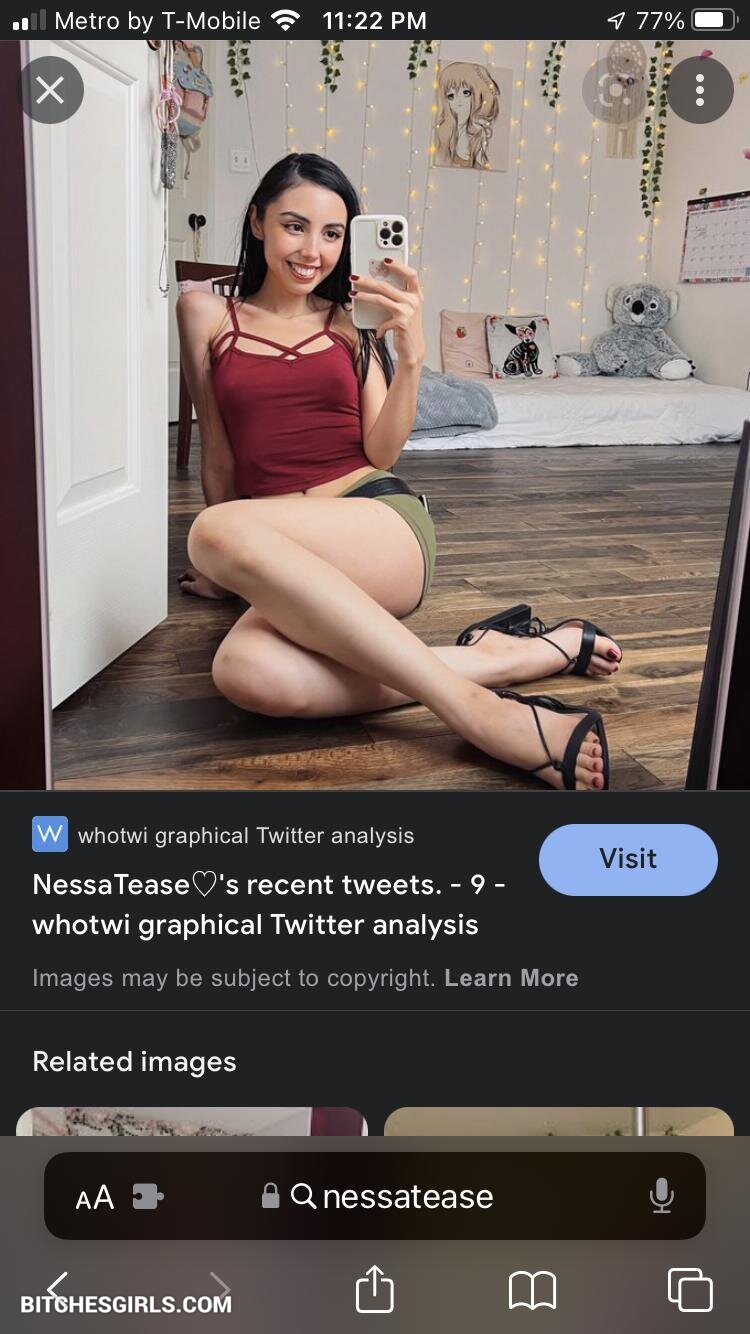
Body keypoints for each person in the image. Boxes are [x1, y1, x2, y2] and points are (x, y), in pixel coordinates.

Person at [177, 153, 621, 790]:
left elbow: (382, 452)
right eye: (294, 226)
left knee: (213, 531)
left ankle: (480, 715)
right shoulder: (205, 314)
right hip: (276, 537)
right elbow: (217, 449)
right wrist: (226, 573)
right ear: (257, 222)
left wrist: (409, 357)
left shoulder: (350, 323)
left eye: (332, 233)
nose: (312, 251)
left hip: (373, 518)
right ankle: (501, 659)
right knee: (246, 674)